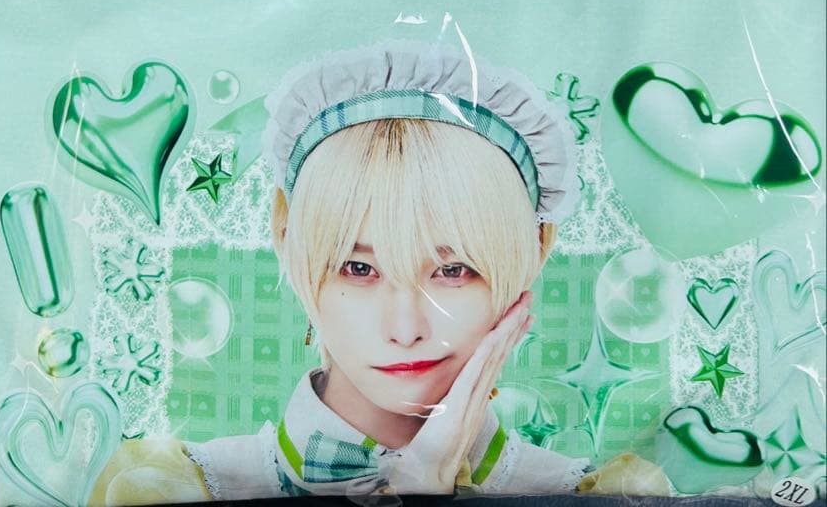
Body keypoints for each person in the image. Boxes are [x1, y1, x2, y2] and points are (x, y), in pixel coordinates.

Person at [89, 41, 669, 502]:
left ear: (535, 250)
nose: (406, 327)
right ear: (286, 239)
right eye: (358, 266)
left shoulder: (599, 497)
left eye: (454, 269)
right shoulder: (173, 487)